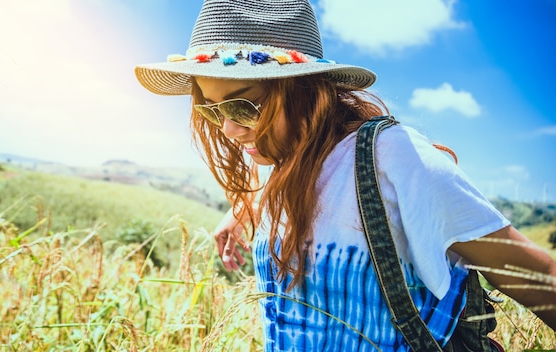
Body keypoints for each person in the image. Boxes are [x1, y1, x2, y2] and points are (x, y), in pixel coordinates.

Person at [134, 0, 556, 350]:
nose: (227, 128)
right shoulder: (288, 167)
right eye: (211, 109)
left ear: (305, 90)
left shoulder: (396, 160)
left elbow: (540, 283)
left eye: (243, 107)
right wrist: (248, 205)